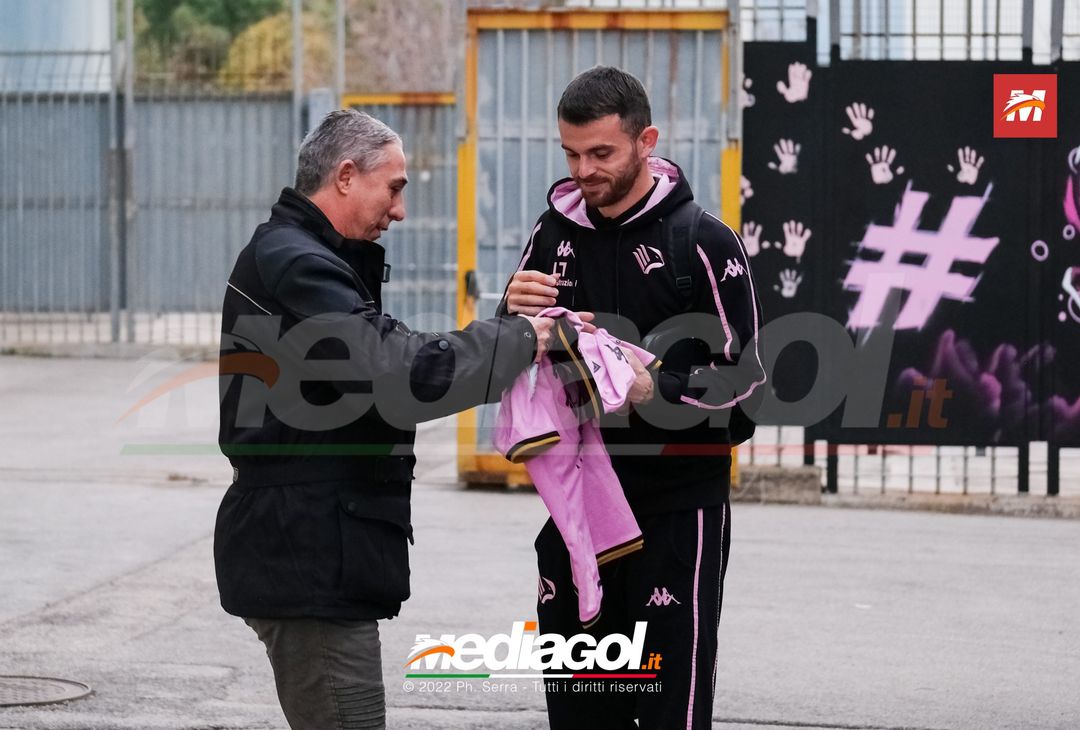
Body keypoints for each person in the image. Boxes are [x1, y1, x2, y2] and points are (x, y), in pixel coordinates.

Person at [214, 109, 555, 730]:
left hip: (311, 547)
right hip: (306, 556)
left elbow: (382, 357)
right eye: (393, 187)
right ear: (346, 176)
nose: (399, 210)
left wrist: (506, 328)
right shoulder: (298, 264)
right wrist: (519, 340)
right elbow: (397, 373)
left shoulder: (305, 258)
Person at [501, 66, 766, 729]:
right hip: (578, 509)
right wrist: (507, 316)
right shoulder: (551, 236)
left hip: (678, 510)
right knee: (582, 708)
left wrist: (655, 390)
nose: (583, 170)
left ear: (646, 141)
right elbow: (508, 365)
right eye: (570, 153)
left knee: (669, 708)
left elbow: (746, 395)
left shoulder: (704, 243)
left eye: (601, 153)